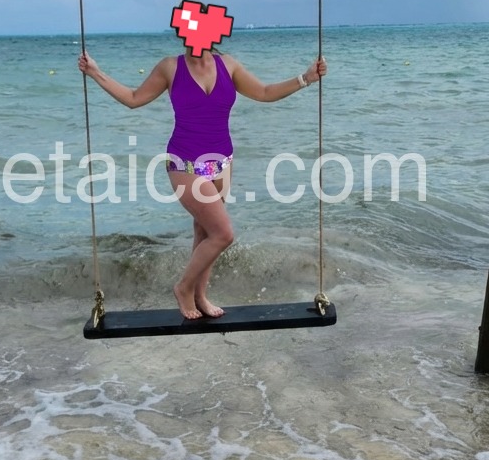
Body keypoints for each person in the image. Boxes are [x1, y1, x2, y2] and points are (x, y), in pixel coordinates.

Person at [78, 40, 327, 321]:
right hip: (185, 164)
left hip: (222, 163)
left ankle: (200, 295)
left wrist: (305, 78)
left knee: (206, 232)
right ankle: (183, 288)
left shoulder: (228, 65)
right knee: (223, 234)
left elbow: (264, 92)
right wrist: (95, 72)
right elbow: (134, 98)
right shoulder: (170, 67)